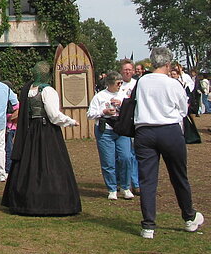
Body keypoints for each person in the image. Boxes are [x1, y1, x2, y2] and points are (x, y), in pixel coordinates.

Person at [135, 47, 204, 239]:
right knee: (179, 176)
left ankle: (148, 225)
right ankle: (189, 217)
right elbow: (183, 109)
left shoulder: (141, 82)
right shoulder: (173, 84)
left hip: (145, 131)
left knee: (147, 180)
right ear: (168, 64)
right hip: (169, 130)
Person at [2, 61, 81, 216]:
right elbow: (53, 115)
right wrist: (70, 121)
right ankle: (49, 202)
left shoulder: (28, 89)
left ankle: (25, 198)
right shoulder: (47, 91)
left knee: (29, 164)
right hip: (46, 131)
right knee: (50, 164)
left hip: (30, 131)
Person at [87, 72, 133, 200]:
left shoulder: (123, 95)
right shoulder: (100, 96)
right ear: (110, 83)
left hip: (121, 130)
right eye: (118, 83)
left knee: (125, 157)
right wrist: (104, 111)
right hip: (105, 131)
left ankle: (125, 187)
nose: (120, 85)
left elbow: (131, 110)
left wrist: (122, 106)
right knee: (108, 161)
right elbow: (90, 114)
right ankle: (112, 188)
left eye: (121, 83)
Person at [118, 60, 140, 195]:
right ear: (121, 71)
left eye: (129, 69)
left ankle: (136, 183)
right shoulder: (118, 84)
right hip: (122, 122)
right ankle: (123, 182)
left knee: (135, 154)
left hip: (135, 121)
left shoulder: (138, 84)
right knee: (124, 155)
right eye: (125, 69)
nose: (127, 72)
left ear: (133, 71)